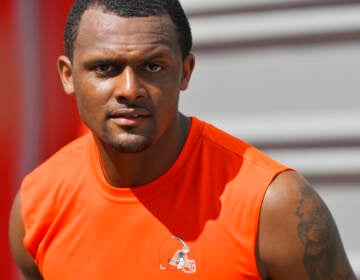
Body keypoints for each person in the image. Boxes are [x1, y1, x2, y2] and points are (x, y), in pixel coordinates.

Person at [9, 0, 356, 279]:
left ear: (185, 72)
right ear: (68, 76)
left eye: (153, 67)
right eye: (105, 68)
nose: (129, 90)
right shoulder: (37, 204)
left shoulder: (274, 206)